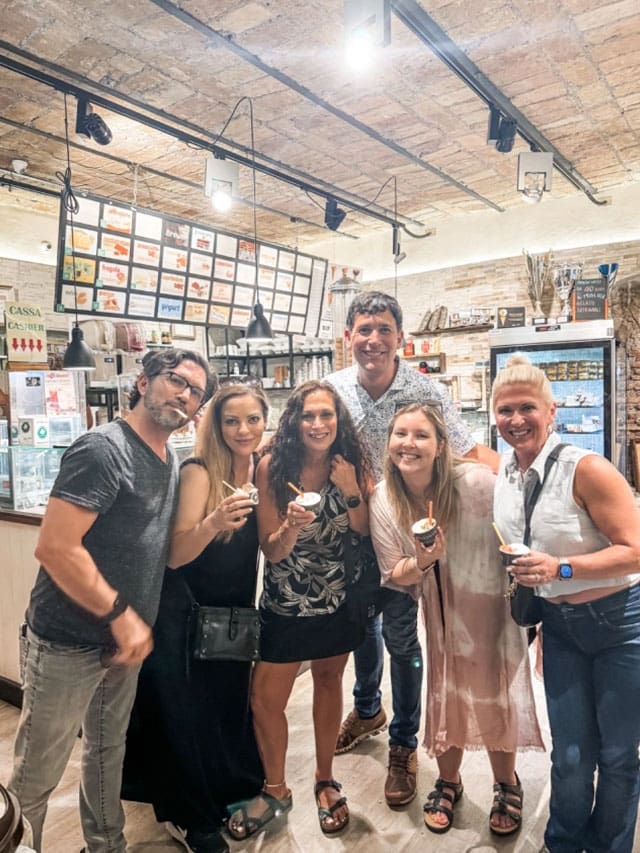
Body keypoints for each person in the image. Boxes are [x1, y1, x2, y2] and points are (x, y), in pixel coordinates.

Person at [8, 348, 213, 853]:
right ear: (143, 382)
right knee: (37, 775)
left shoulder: (170, 460)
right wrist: (121, 616)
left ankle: (106, 845)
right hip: (67, 642)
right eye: (177, 382)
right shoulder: (102, 449)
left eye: (196, 392)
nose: (185, 396)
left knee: (106, 753)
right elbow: (55, 547)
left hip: (121, 647)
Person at [326, 290, 499, 807]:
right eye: (364, 329)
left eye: (384, 329)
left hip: (409, 540)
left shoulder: (426, 389)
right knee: (362, 631)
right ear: (348, 337)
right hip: (350, 536)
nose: (373, 339)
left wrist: (517, 486)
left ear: (401, 338)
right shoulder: (332, 390)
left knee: (403, 641)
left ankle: (402, 743)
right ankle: (366, 707)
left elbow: (465, 452)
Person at [369, 402, 543, 835]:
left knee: (495, 688)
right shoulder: (386, 498)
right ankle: (450, 780)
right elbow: (394, 571)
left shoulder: (478, 482)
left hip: (492, 600)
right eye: (400, 434)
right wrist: (425, 561)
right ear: (388, 442)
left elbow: (519, 529)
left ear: (441, 445)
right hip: (443, 609)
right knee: (446, 687)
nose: (408, 444)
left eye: (421, 435)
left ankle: (507, 782)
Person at [492, 355, 640, 853]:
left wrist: (563, 570)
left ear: (552, 411)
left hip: (622, 626)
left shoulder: (587, 468)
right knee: (572, 756)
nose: (516, 420)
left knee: (619, 755)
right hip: (560, 629)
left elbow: (636, 549)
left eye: (527, 408)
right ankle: (562, 842)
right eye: (504, 410)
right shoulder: (506, 477)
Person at [122, 383, 269, 853]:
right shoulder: (200, 472)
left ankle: (223, 791)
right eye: (231, 420)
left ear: (266, 421)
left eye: (252, 419)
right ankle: (189, 816)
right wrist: (213, 524)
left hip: (231, 610)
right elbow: (174, 556)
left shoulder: (260, 470)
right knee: (187, 713)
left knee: (225, 704)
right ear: (214, 425)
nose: (242, 430)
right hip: (184, 611)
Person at [227, 381, 372, 841]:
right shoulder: (272, 466)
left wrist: (351, 490)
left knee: (330, 682)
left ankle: (325, 780)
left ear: (338, 420)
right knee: (265, 700)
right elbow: (271, 551)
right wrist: (289, 525)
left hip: (339, 599)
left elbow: (364, 529)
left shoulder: (349, 464)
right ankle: (275, 790)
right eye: (308, 416)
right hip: (287, 603)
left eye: (326, 415)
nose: (317, 424)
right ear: (295, 421)